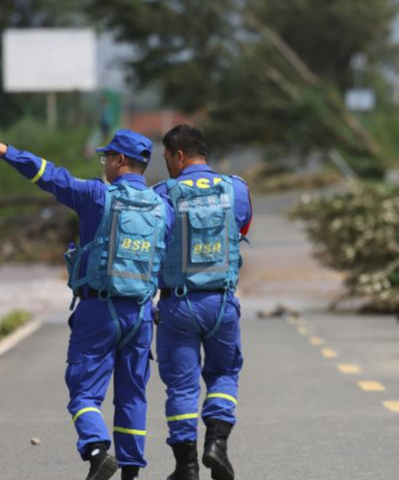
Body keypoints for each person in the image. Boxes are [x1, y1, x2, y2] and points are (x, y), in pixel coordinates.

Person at [0, 129, 172, 480]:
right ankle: (131, 473)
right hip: (141, 312)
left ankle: (96, 450)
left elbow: (49, 175)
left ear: (120, 160)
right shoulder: (162, 206)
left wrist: (5, 150)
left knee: (83, 393)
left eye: (106, 157)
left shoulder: (97, 196)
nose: (104, 164)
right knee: (132, 396)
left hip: (99, 309)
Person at [153, 125, 252, 480]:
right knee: (224, 373)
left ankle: (186, 466)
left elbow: (154, 240)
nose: (166, 166)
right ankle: (218, 444)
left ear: (179, 155)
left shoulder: (163, 193)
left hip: (178, 306)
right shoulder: (236, 188)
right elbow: (240, 229)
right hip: (222, 303)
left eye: (166, 159)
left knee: (181, 387)